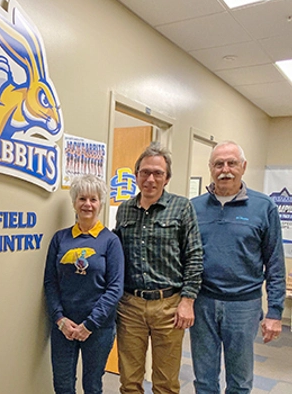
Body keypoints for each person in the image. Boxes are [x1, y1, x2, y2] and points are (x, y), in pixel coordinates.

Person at [190, 140, 286, 394]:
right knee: (204, 378)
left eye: (232, 163)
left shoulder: (263, 207)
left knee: (240, 380)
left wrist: (275, 312)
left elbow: (275, 262)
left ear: (243, 167)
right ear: (210, 168)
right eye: (218, 164)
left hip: (244, 306)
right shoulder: (194, 208)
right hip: (203, 303)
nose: (225, 169)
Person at [115, 142, 203, 394]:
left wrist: (187, 300)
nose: (150, 179)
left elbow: (194, 256)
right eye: (145, 172)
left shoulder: (182, 207)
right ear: (136, 175)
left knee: (165, 383)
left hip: (169, 306)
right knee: (129, 380)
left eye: (158, 173)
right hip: (130, 305)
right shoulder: (124, 210)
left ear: (167, 178)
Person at [44, 174, 124, 394]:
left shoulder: (110, 241)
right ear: (74, 203)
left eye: (93, 199)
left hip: (98, 328)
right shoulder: (60, 239)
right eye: (82, 199)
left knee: (92, 385)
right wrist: (60, 319)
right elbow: (50, 283)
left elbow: (115, 288)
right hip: (64, 327)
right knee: (62, 384)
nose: (87, 204)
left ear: (100, 203)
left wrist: (90, 324)